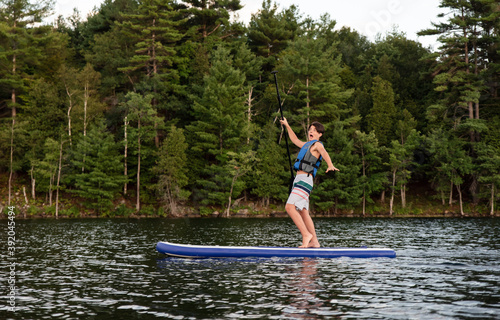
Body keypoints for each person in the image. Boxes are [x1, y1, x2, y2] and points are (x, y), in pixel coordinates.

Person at [280, 118, 339, 248]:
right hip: (299, 180)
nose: (311, 132)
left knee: (289, 207)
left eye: (314, 130)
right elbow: (295, 140)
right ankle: (315, 242)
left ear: (320, 134)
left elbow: (324, 153)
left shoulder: (318, 145)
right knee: (303, 212)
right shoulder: (307, 145)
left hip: (305, 180)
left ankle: (306, 235)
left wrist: (330, 165)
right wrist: (287, 125)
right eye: (310, 130)